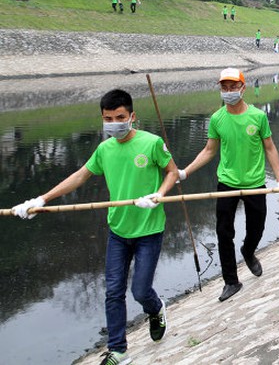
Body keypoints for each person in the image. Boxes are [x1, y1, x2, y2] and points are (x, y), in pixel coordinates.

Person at [12, 89, 176, 365]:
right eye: (108, 119)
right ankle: (117, 350)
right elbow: (79, 176)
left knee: (139, 291)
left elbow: (172, 172)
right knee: (113, 291)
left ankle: (156, 309)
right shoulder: (104, 149)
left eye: (120, 117)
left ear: (132, 116)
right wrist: (41, 199)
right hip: (118, 231)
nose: (115, 123)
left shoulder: (152, 143)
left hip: (149, 230)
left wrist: (158, 194)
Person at [178, 68, 279, 302]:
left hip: (255, 182)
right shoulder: (217, 119)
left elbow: (270, 147)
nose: (228, 92)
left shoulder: (258, 117)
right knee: (223, 232)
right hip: (227, 182)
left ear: (243, 88)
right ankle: (231, 281)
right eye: (224, 87)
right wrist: (185, 172)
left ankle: (248, 252)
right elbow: (209, 150)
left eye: (233, 87)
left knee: (256, 229)